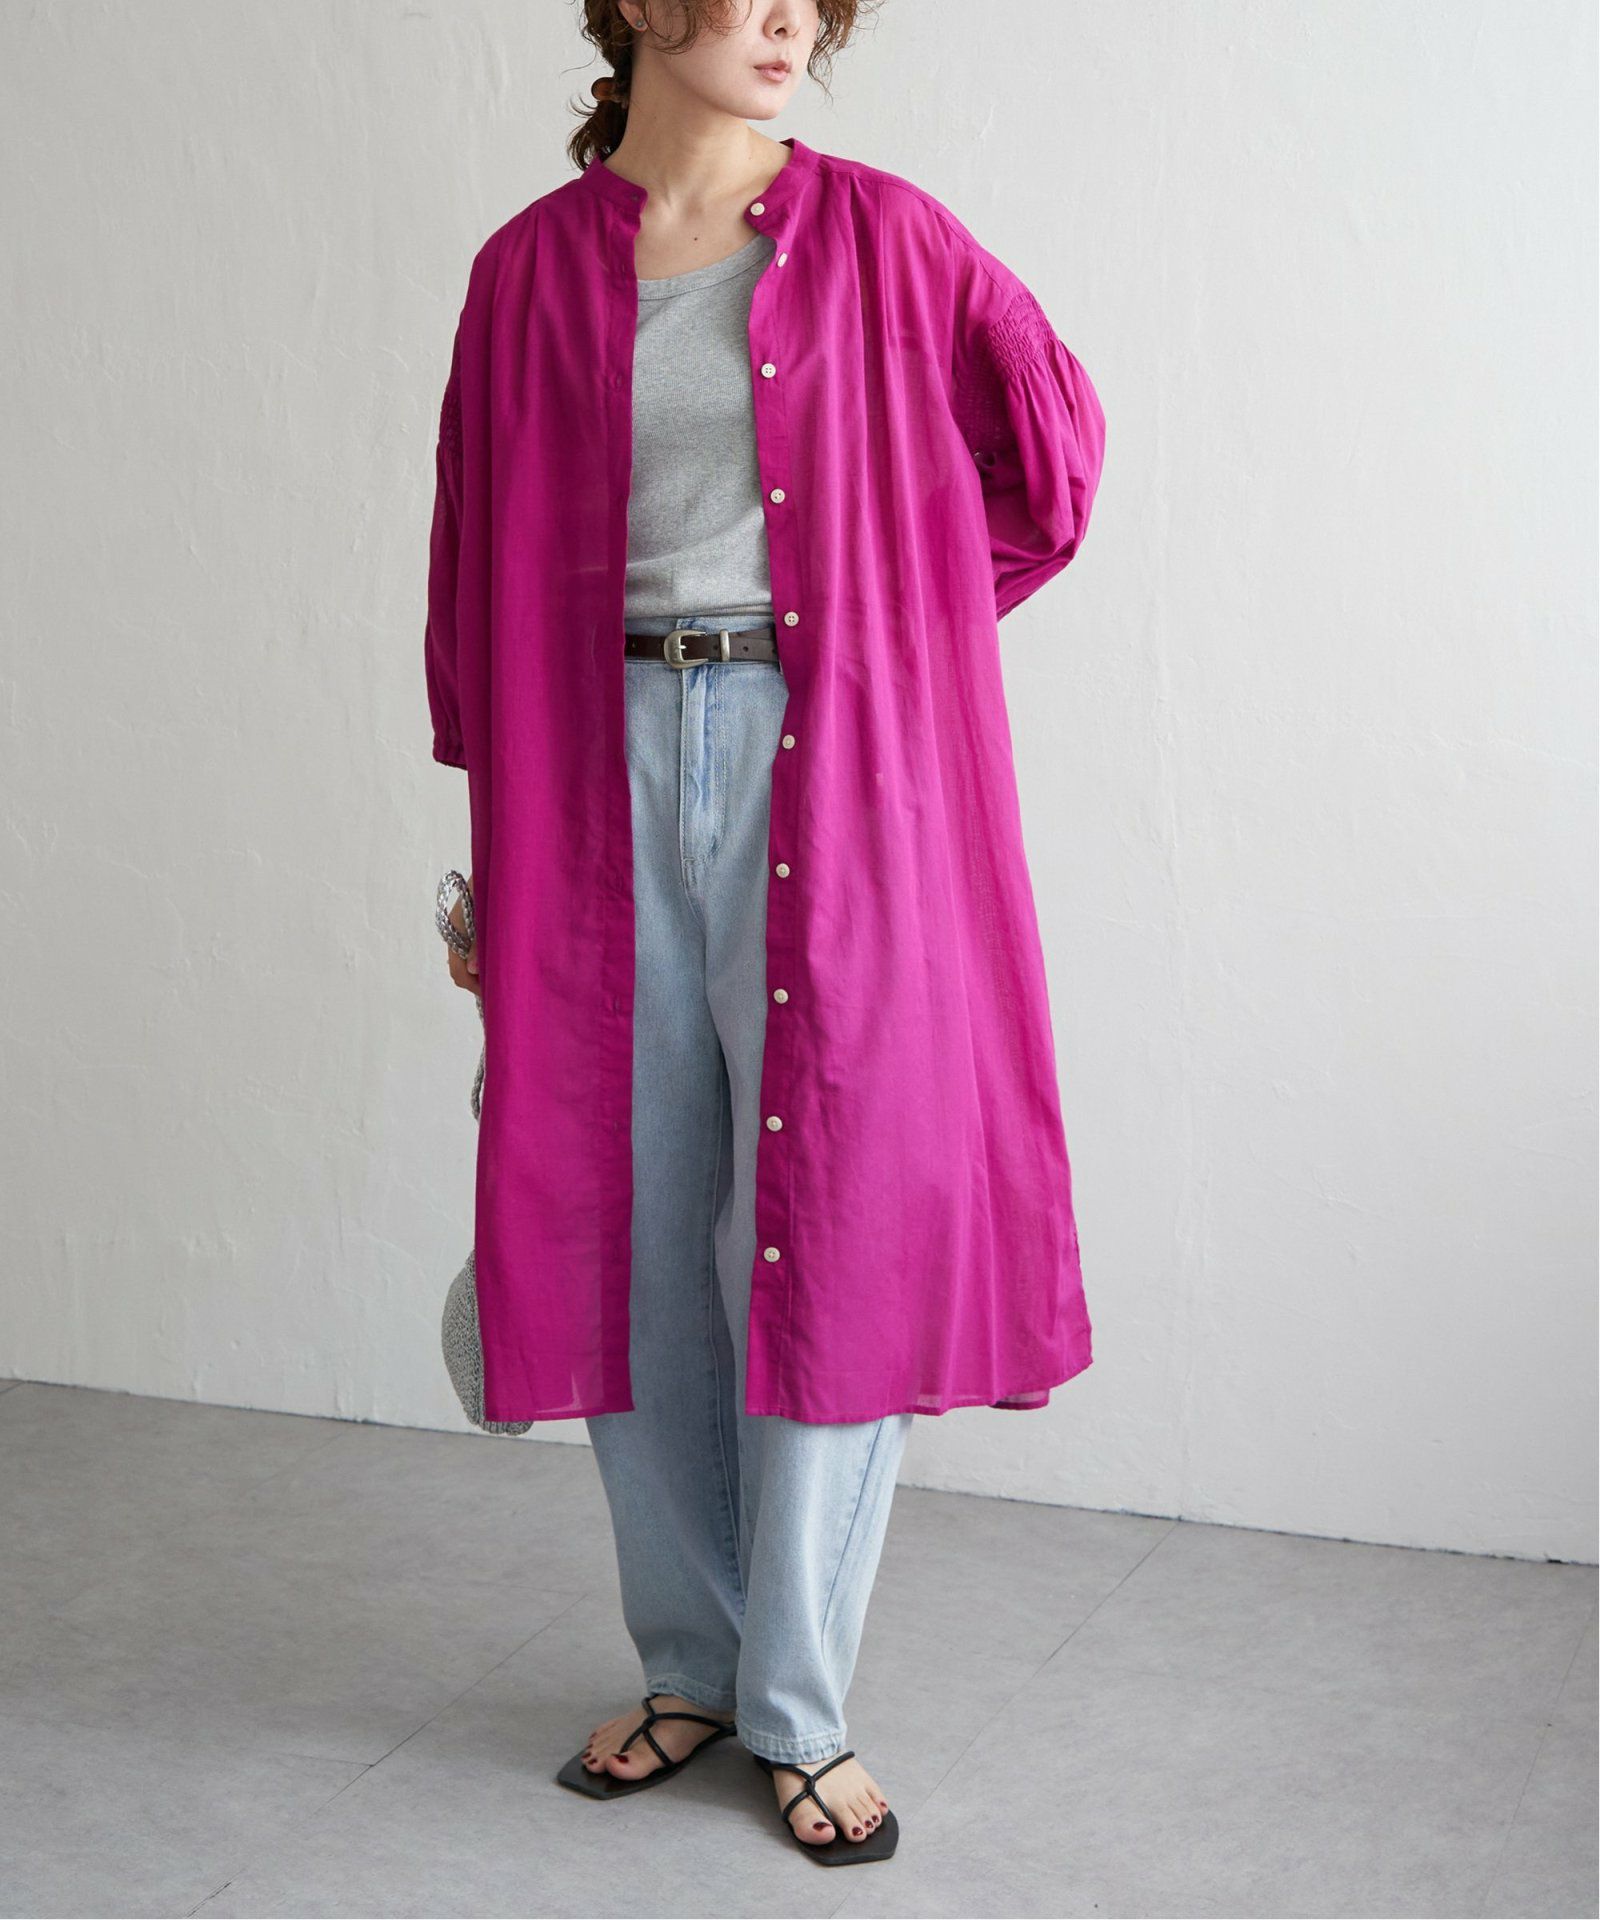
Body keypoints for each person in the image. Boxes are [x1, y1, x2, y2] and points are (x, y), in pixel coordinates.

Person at [431, 0, 1106, 1867]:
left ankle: (799, 1703)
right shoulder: (524, 274)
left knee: (835, 1216)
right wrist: (497, 856)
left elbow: (1049, 459)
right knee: (628, 1215)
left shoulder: (890, 236)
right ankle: (693, 1665)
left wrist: (894, 617)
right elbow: (472, 566)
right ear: (646, 6)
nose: (791, 20)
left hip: (832, 763)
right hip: (591, 768)